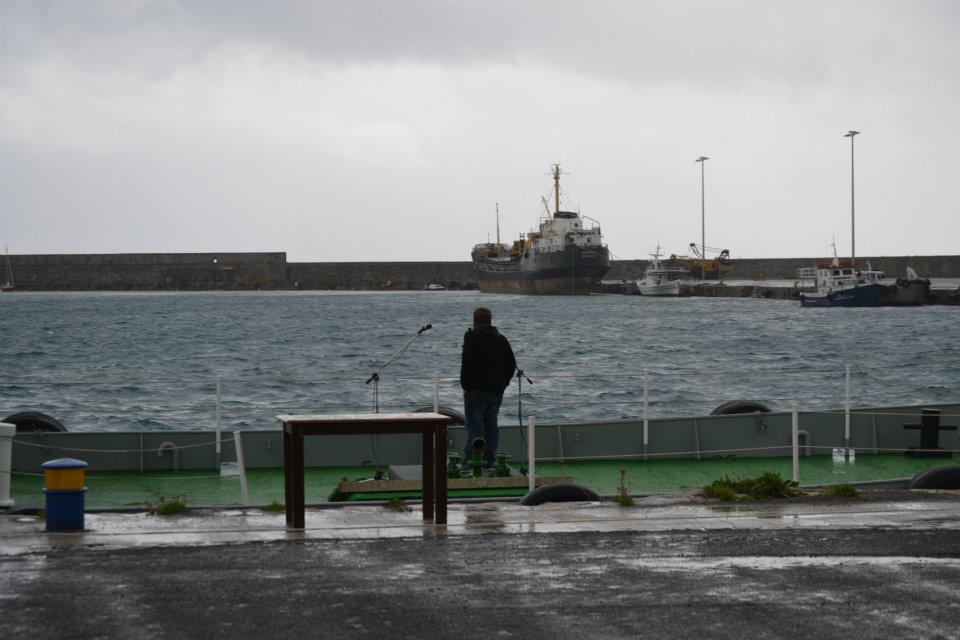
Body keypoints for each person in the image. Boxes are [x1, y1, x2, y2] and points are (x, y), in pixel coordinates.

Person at [459, 307, 516, 468]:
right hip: (496, 391)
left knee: (475, 426)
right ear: (490, 320)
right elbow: (511, 364)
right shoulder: (501, 339)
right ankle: (490, 460)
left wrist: (466, 385)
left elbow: (467, 363)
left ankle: (472, 460)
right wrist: (503, 383)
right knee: (491, 425)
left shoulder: (471, 336)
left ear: (475, 320)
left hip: (475, 390)